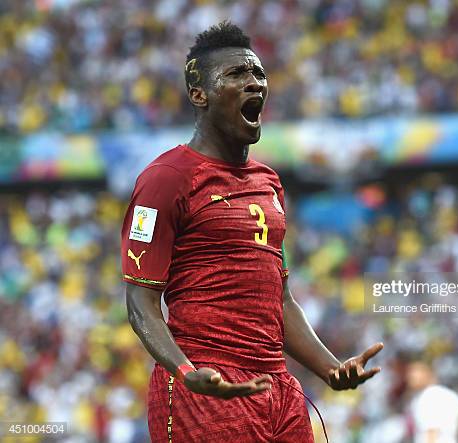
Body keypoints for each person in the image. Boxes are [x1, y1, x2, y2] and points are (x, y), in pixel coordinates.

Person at [121, 21, 383, 443]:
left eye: (258, 74)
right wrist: (186, 372)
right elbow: (140, 303)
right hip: (208, 385)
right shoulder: (166, 179)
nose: (254, 84)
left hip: (277, 388)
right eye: (236, 75)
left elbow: (280, 300)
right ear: (199, 94)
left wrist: (331, 369)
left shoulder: (268, 182)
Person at [406, 359, 458, 443]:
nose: (410, 377)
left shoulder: (430, 396)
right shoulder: (445, 394)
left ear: (427, 374)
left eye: (415, 372)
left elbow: (432, 432)